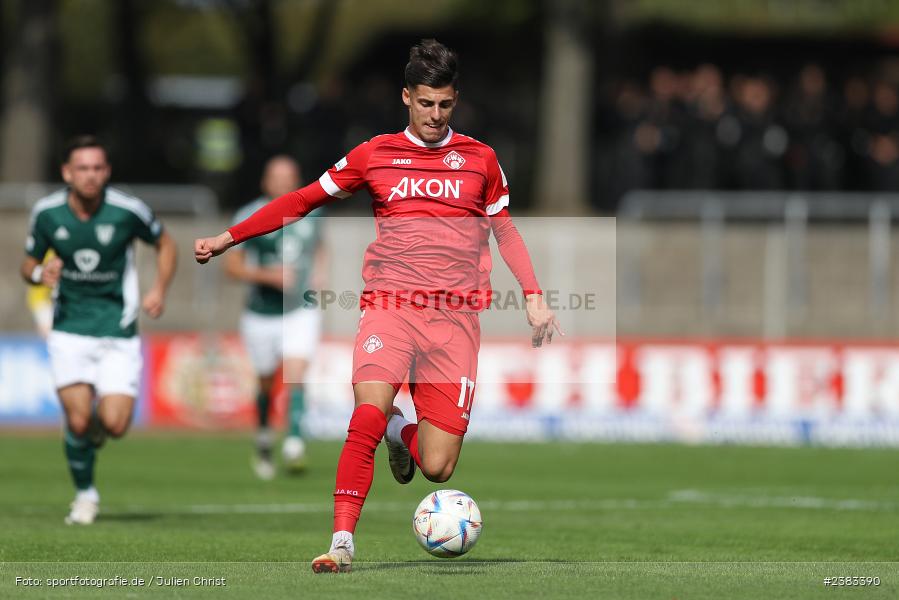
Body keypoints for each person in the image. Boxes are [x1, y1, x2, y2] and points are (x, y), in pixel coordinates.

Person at [194, 39, 561, 572]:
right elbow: (302, 200)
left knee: (437, 466)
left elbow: (504, 230)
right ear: (406, 97)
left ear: (455, 101)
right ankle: (341, 542)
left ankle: (398, 430)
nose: (435, 115)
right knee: (366, 412)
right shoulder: (375, 154)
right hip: (390, 307)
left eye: (445, 104)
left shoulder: (480, 159)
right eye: (426, 103)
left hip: (455, 320)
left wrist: (534, 296)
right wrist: (230, 237)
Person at [20, 135, 177, 525]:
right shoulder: (47, 213)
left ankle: (89, 437)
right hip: (69, 328)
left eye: (97, 168)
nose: (90, 175)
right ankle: (85, 495)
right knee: (77, 420)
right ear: (67, 173)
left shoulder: (127, 210)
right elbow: (28, 263)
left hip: (117, 329)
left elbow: (166, 244)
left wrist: (159, 288)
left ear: (106, 172)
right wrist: (40, 274)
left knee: (115, 425)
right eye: (82, 168)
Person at [224, 155, 326, 479]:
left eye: (289, 177)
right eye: (277, 177)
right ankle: (265, 436)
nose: (283, 183)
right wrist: (269, 276)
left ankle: (294, 441)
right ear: (265, 181)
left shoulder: (313, 212)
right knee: (266, 381)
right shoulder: (248, 214)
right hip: (260, 313)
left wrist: (319, 274)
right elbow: (232, 266)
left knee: (296, 372)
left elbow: (318, 247)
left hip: (300, 309)